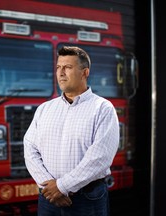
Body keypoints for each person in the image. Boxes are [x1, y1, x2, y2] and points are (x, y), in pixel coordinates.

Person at [23, 46, 119, 216]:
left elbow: (100, 158)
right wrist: (49, 187)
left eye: (67, 67)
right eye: (58, 67)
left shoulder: (102, 108)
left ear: (85, 72)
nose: (61, 73)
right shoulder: (45, 109)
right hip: (48, 198)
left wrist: (61, 187)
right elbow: (30, 148)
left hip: (86, 199)